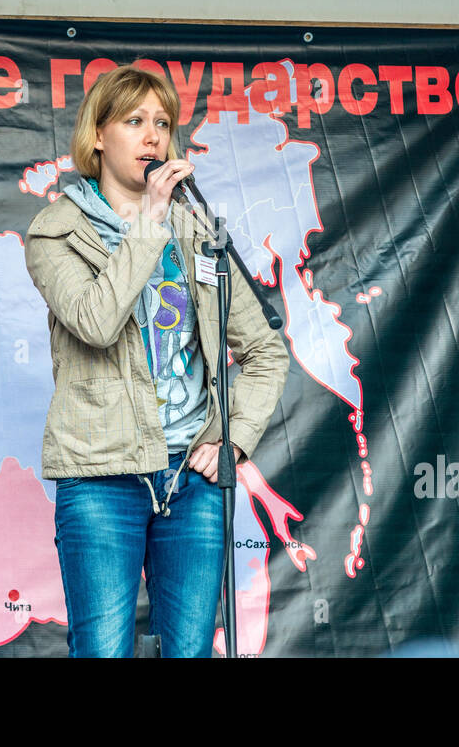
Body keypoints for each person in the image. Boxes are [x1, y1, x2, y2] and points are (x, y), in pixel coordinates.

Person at [24, 62, 288, 657]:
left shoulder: (196, 233)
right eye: (135, 121)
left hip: (192, 482)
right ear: (97, 135)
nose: (152, 137)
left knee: (191, 650)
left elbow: (265, 349)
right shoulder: (54, 233)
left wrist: (232, 439)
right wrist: (148, 221)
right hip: (100, 481)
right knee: (104, 650)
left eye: (163, 124)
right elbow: (95, 322)